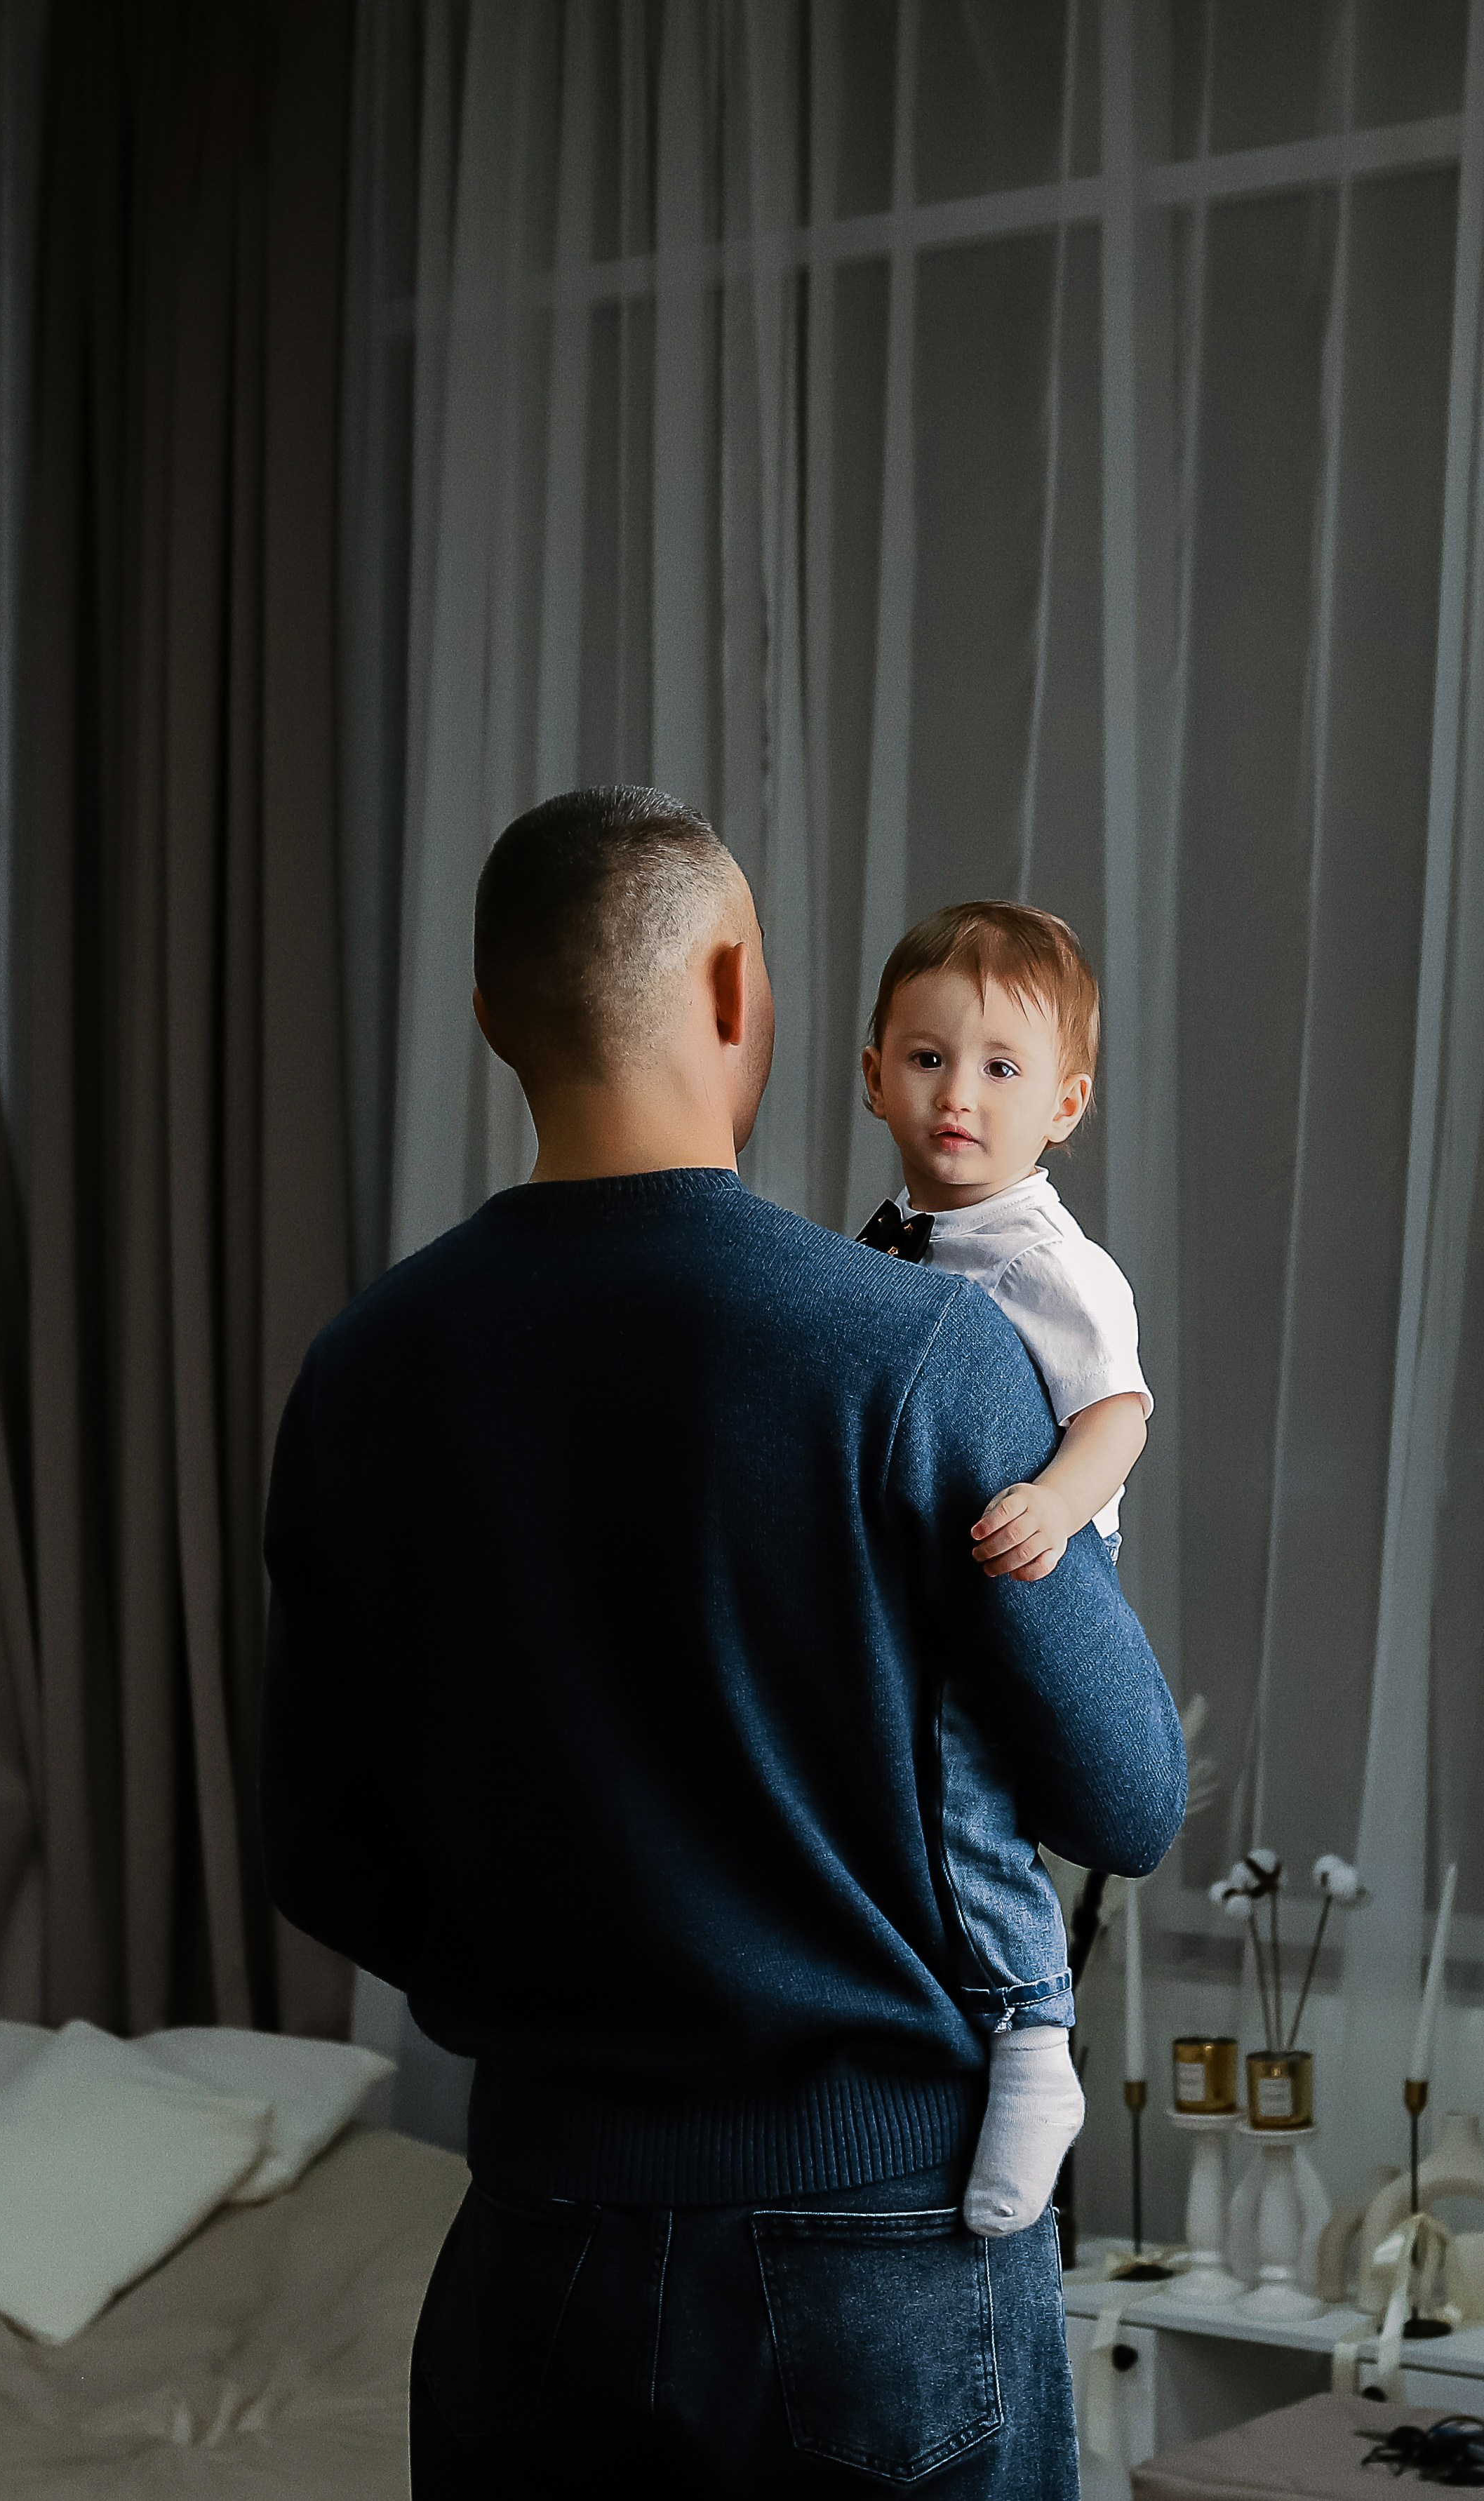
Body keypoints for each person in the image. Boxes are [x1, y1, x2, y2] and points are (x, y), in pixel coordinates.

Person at [260, 787, 1186, 2499]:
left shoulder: (362, 1373)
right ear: (741, 992)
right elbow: (1127, 1798)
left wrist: (557, 2002)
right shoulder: (911, 1349)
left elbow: (314, 1847)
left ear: (491, 1025)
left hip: (536, 2248)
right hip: (884, 2248)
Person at [856, 901, 1151, 2241]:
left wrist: (1051, 1498)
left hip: (1019, 1579)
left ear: (1066, 1105)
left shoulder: (1049, 1261)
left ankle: (1038, 2037)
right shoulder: (879, 1239)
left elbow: (1120, 1413)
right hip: (905, 1582)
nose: (957, 1095)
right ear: (873, 1075)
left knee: (969, 1801)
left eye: (1000, 1068)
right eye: (927, 1059)